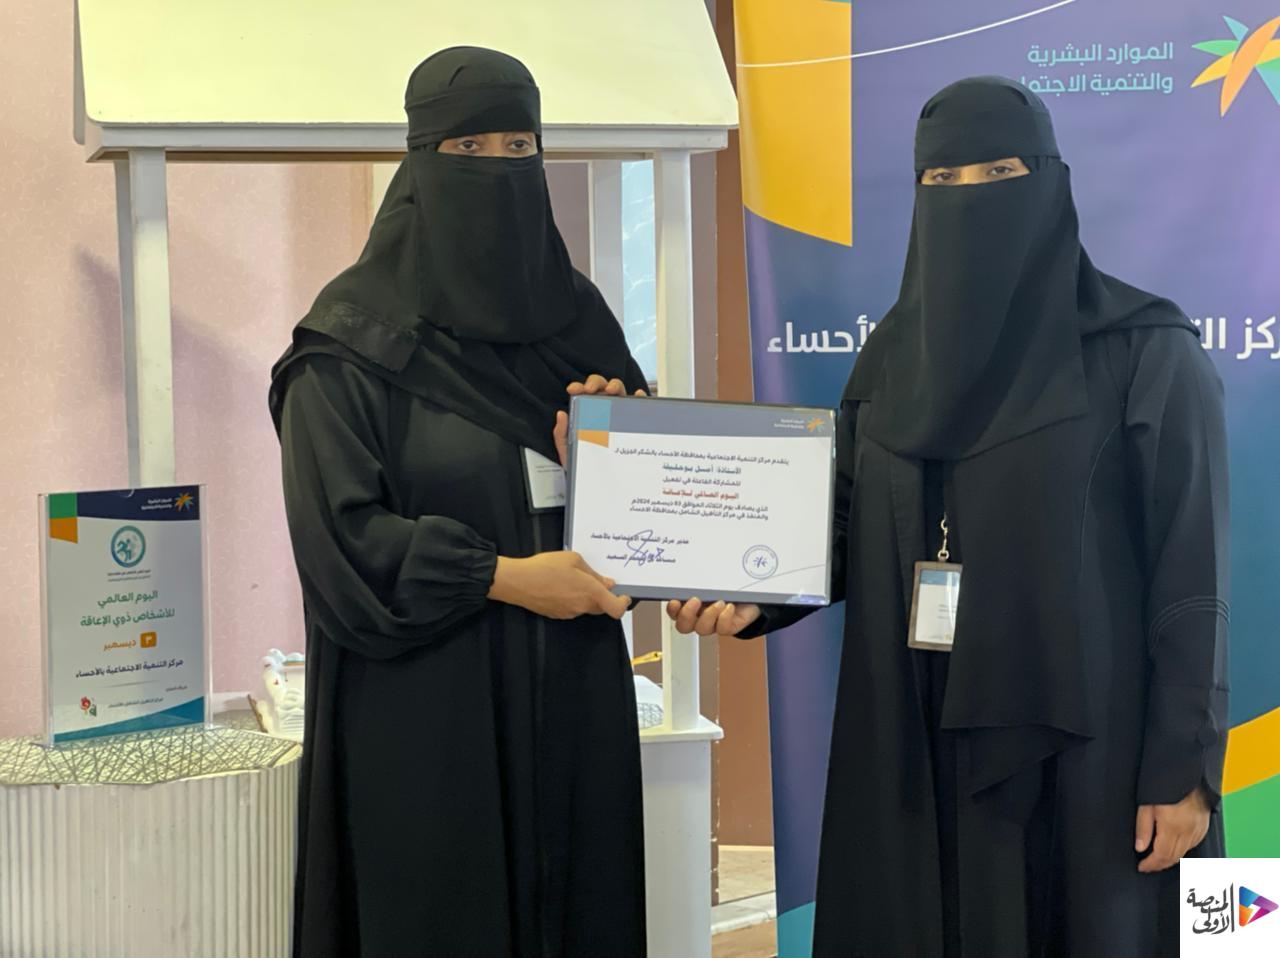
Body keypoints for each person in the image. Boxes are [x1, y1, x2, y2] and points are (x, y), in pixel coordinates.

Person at [670, 76, 1229, 956]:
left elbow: (1192, 575)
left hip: (1089, 755)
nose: (969, 196)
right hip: (912, 735)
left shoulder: (1145, 353)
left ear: (1050, 181)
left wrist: (1184, 771)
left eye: (998, 172)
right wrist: (752, 595)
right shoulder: (891, 359)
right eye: (943, 179)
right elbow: (840, 526)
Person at [269, 47, 648, 957]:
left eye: (520, 146)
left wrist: (610, 455)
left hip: (574, 699)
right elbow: (341, 547)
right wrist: (506, 578)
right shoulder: (352, 344)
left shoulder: (580, 320)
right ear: (421, 160)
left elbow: (645, 521)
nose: (499, 168)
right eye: (470, 148)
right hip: (425, 708)